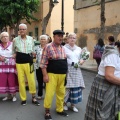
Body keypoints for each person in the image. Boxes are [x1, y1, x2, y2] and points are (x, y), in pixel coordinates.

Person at [84, 42, 120, 120]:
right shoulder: (113, 54)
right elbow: (109, 76)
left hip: (112, 87)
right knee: (100, 114)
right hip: (105, 87)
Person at [40, 30, 68, 120]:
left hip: (62, 75)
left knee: (61, 93)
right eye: (58, 36)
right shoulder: (48, 47)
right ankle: (47, 111)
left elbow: (65, 61)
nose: (60, 38)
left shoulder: (63, 48)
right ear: (54, 36)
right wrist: (45, 75)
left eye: (61, 36)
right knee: (49, 93)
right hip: (52, 74)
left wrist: (66, 75)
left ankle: (60, 109)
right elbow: (43, 63)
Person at [13, 23, 40, 106]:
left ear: (26, 30)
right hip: (19, 61)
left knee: (31, 80)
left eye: (23, 29)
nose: (22, 30)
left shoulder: (31, 39)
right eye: (20, 29)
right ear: (19, 30)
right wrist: (13, 58)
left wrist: (34, 53)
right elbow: (13, 51)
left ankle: (33, 97)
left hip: (29, 60)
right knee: (21, 81)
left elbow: (35, 49)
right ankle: (23, 99)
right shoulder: (15, 40)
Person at [63, 33, 85, 112]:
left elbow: (82, 57)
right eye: (71, 38)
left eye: (74, 38)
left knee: (76, 88)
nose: (72, 39)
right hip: (68, 69)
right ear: (68, 39)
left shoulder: (79, 48)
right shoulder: (63, 48)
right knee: (67, 88)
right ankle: (64, 103)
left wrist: (82, 60)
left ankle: (73, 105)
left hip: (76, 70)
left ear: (76, 39)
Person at [0, 32, 18, 102]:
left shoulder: (12, 45)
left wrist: (15, 55)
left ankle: (14, 95)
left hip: (11, 65)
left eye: (6, 36)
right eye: (3, 36)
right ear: (1, 38)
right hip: (2, 65)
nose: (5, 38)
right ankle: (8, 95)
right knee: (4, 80)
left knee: (12, 79)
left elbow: (17, 52)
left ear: (8, 37)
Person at [34, 35, 48, 100]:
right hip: (38, 67)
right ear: (40, 40)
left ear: (47, 40)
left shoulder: (49, 47)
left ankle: (48, 94)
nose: (43, 40)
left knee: (47, 81)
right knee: (39, 81)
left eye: (44, 39)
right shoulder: (36, 48)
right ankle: (40, 94)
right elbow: (34, 56)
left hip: (47, 67)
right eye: (41, 39)